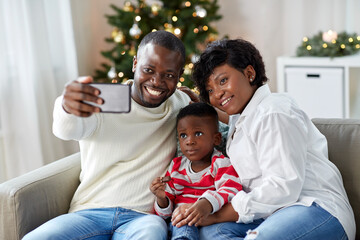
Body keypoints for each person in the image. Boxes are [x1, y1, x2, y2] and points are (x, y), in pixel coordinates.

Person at [23, 30, 192, 240]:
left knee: (152, 234)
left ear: (178, 74)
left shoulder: (179, 103)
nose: (157, 82)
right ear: (135, 64)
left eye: (168, 75)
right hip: (88, 212)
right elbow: (66, 130)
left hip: (143, 218)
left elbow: (217, 117)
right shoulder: (106, 100)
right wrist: (66, 105)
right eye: (148, 70)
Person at [184, 39, 356, 240]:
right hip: (271, 213)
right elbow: (229, 118)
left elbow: (283, 188)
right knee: (210, 233)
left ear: (249, 74)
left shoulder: (274, 112)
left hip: (314, 208)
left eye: (223, 81)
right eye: (210, 90)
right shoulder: (243, 118)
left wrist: (215, 215)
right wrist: (199, 105)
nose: (218, 94)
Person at [150, 102, 243, 240]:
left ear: (216, 138)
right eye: (183, 135)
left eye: (198, 134)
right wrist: (161, 198)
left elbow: (231, 191)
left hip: (211, 219)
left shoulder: (221, 164)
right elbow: (165, 215)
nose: (189, 141)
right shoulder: (176, 166)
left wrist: (205, 204)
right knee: (182, 221)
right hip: (181, 223)